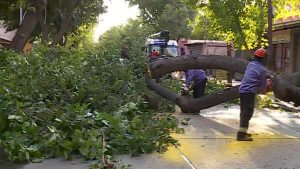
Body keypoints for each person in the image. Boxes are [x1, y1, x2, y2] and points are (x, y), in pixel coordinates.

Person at [237, 48, 270, 141]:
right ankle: (241, 135)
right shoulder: (262, 69)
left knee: (243, 112)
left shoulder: (250, 65)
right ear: (263, 59)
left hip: (242, 90)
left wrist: (267, 76)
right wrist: (264, 89)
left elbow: (255, 73)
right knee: (248, 113)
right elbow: (263, 85)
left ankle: (242, 131)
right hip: (249, 92)